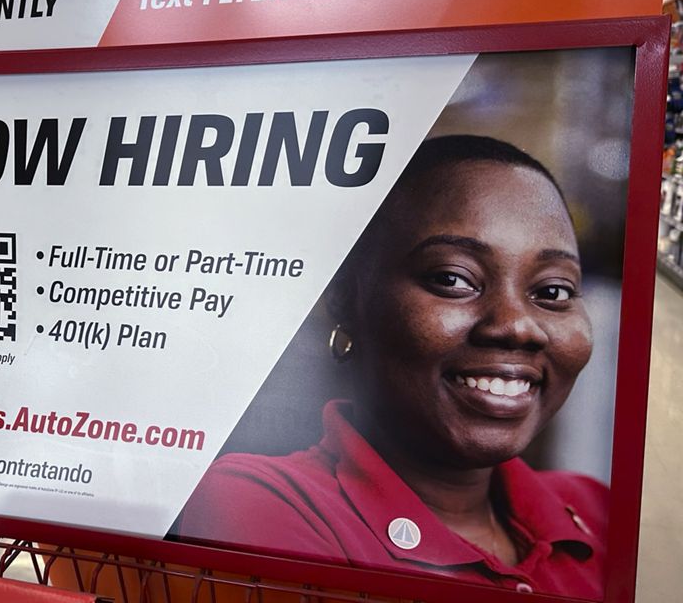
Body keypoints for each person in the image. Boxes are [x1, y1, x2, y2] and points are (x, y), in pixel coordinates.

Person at [178, 135, 605, 598]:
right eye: (452, 279)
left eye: (554, 291)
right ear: (345, 300)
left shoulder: (598, 509)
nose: (517, 326)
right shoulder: (261, 503)